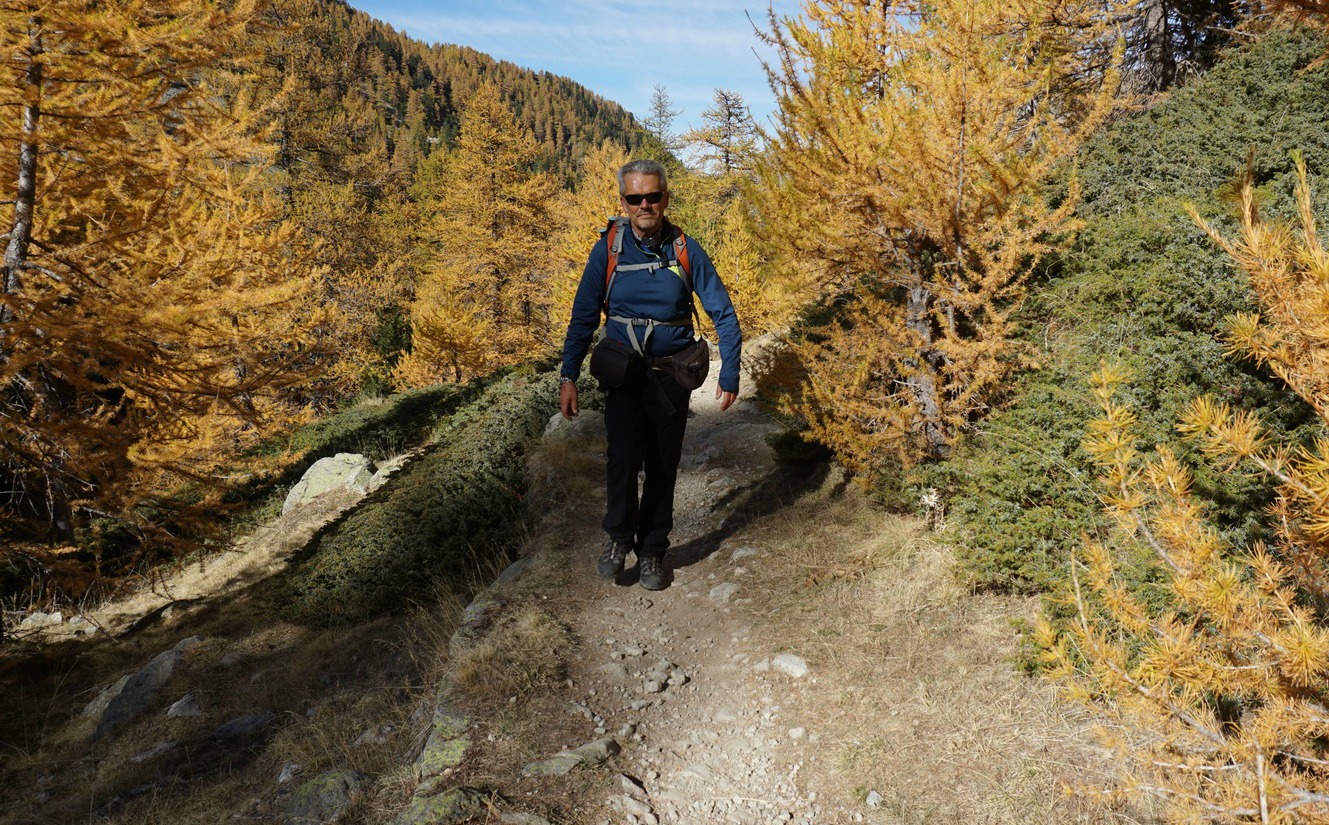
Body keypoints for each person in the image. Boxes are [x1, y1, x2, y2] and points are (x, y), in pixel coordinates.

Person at [559, 159, 742, 591]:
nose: (645, 205)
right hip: (622, 373)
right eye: (635, 198)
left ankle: (654, 549)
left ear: (665, 199)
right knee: (621, 459)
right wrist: (568, 376)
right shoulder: (608, 248)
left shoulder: (685, 249)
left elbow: (723, 313)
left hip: (669, 376)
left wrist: (730, 370)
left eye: (653, 197)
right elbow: (583, 315)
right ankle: (618, 540)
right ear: (623, 202)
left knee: (663, 464)